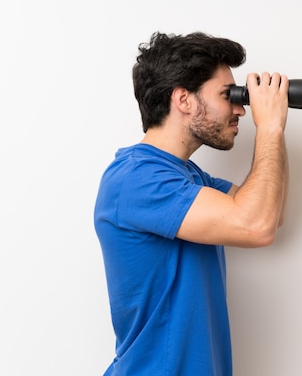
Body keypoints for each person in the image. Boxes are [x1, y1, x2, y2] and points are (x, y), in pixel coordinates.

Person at [93, 31, 290, 376]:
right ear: (183, 99)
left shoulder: (189, 179)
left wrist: (277, 127)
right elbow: (255, 225)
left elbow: (271, 214)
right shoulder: (137, 179)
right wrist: (269, 127)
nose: (240, 109)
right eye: (228, 95)